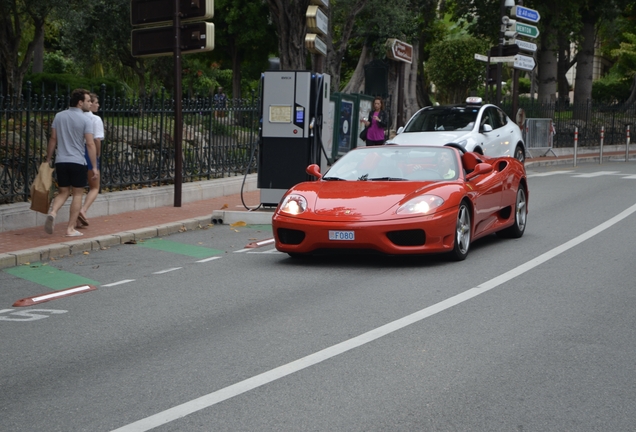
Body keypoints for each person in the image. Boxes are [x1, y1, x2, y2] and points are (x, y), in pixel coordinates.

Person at [44, 88, 99, 237]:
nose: (89, 103)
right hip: (77, 161)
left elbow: (53, 139)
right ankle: (70, 229)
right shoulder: (86, 120)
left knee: (63, 191)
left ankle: (53, 212)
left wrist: (48, 159)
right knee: (77, 194)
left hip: (61, 161)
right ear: (80, 103)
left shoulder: (59, 116)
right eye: (88, 101)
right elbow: (90, 144)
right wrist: (93, 166)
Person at [77, 92, 105, 228]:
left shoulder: (75, 116)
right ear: (90, 103)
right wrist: (97, 154)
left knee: (78, 188)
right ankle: (83, 210)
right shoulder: (95, 119)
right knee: (94, 187)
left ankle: (76, 218)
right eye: (95, 102)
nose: (97, 105)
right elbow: (96, 139)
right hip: (89, 152)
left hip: (76, 152)